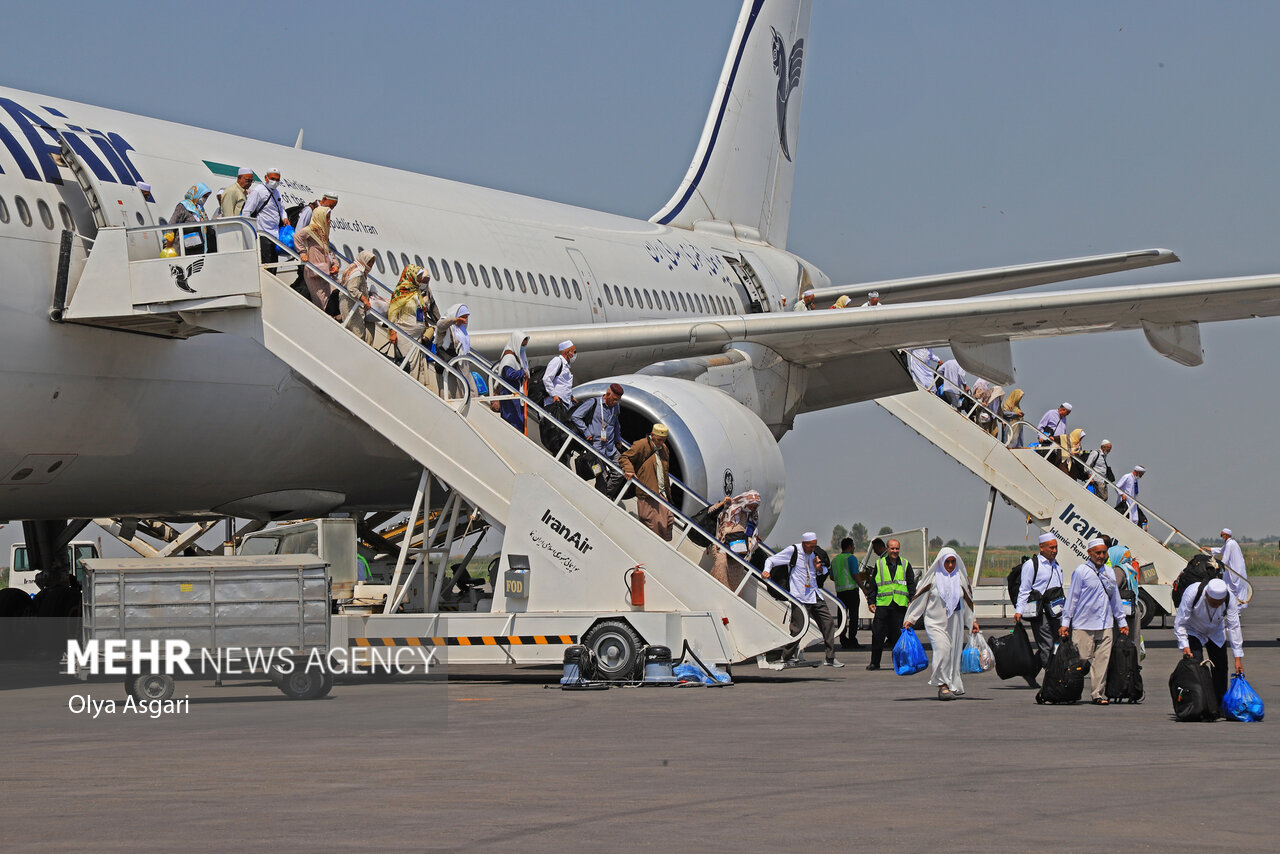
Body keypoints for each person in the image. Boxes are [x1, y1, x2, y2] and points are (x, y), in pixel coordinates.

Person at [1059, 537, 1130, 705]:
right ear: (1089, 553)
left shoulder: (1109, 572)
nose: (1101, 555)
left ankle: (1097, 694)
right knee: (1081, 660)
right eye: (1097, 552)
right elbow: (1072, 599)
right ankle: (1068, 688)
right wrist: (1065, 623)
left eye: (1104, 552)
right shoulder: (1081, 572)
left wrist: (1122, 622)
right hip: (1084, 624)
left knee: (1102, 661)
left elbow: (1115, 598)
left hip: (1105, 623)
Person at [904, 547, 979, 700]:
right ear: (940, 562)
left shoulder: (960, 579)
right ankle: (942, 686)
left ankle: (952, 684)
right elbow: (919, 600)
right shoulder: (932, 579)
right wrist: (911, 619)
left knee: (952, 654)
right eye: (947, 562)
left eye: (953, 562)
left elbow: (967, 603)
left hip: (955, 624)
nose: (950, 565)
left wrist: (973, 622)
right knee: (942, 650)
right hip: (934, 623)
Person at [763, 533, 841, 666]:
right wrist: (766, 571)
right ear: (804, 543)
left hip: (814, 594)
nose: (812, 549)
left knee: (828, 623)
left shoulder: (814, 554)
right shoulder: (793, 551)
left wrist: (818, 568)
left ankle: (830, 657)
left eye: (814, 546)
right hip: (799, 596)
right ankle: (786, 656)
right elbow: (771, 560)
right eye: (810, 546)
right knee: (799, 628)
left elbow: (822, 572)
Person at [1173, 577, 1244, 705]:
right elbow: (1180, 622)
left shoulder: (1229, 598)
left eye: (1219, 603)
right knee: (1197, 667)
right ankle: (1199, 703)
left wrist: (1238, 658)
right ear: (1206, 594)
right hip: (1193, 630)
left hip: (1215, 631)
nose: (1217, 606)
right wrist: (1184, 645)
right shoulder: (1193, 593)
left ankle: (1218, 704)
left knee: (1221, 667)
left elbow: (1234, 627)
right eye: (1213, 603)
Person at [1013, 533, 1065, 684]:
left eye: (1056, 547)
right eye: (1051, 547)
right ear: (1041, 548)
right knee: (1047, 645)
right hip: (1040, 613)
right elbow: (1024, 589)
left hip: (1055, 612)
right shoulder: (1032, 565)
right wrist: (1019, 610)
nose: (1054, 550)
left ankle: (1030, 673)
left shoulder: (1056, 565)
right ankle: (1052, 678)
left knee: (1056, 643)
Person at [865, 538, 916, 670]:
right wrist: (871, 601)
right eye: (892, 548)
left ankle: (899, 663)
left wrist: (912, 599)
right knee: (877, 634)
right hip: (883, 604)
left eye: (897, 548)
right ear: (887, 549)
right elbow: (873, 585)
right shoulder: (879, 564)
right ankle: (874, 662)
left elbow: (911, 583)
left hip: (899, 605)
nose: (894, 551)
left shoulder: (905, 564)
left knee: (897, 636)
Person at [620, 423, 674, 540]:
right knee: (652, 523)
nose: (661, 443)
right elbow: (625, 457)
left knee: (667, 520)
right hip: (647, 490)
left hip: (661, 491)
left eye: (663, 440)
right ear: (652, 435)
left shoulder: (664, 449)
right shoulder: (642, 444)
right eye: (659, 440)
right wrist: (629, 470)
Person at [571, 383, 626, 497]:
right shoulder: (594, 403)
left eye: (618, 400)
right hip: (596, 449)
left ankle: (606, 493)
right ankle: (601, 496)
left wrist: (618, 438)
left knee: (621, 472)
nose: (616, 402)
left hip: (610, 447)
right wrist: (586, 433)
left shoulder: (616, 407)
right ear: (607, 394)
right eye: (614, 399)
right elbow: (576, 416)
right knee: (601, 476)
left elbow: (616, 424)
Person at [703, 490, 762, 589]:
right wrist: (723, 503)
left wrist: (753, 540)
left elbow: (753, 533)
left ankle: (729, 599)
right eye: (752, 505)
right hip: (721, 544)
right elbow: (711, 512)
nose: (752, 508)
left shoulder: (753, 516)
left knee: (736, 575)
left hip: (739, 550)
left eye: (755, 506)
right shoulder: (731, 506)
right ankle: (713, 590)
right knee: (721, 566)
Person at [293, 206, 340, 314]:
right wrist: (302, 252)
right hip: (315, 270)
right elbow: (297, 237)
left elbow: (328, 251)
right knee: (321, 301)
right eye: (327, 217)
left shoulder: (322, 232)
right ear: (320, 217)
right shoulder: (312, 229)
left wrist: (335, 264)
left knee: (332, 297)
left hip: (326, 271)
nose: (329, 220)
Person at [539, 340, 577, 456]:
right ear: (567, 352)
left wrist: (570, 397)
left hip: (564, 403)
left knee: (562, 433)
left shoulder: (566, 364)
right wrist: (554, 395)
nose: (575, 354)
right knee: (556, 433)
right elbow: (547, 378)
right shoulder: (557, 361)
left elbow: (561, 383)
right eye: (574, 351)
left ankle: (562, 454)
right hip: (555, 404)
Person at [244, 168, 288, 263]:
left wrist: (285, 217)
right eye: (272, 178)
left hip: (275, 234)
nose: (275, 182)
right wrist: (249, 233)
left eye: (277, 180)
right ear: (266, 178)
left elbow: (281, 208)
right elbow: (247, 211)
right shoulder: (258, 191)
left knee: (274, 262)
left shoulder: (276, 192)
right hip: (263, 233)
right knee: (266, 262)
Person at [434, 303, 475, 399]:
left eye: (466, 318)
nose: (464, 321)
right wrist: (454, 320)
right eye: (462, 318)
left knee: (468, 387)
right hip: (447, 363)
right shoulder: (448, 328)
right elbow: (440, 325)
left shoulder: (461, 330)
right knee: (447, 391)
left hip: (459, 365)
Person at [829, 537, 862, 649]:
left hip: (840, 592)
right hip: (852, 591)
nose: (854, 548)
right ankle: (852, 639)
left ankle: (843, 639)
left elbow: (832, 577)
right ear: (849, 547)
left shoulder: (835, 560)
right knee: (853, 617)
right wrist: (863, 587)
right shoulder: (851, 558)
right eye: (853, 546)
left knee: (842, 617)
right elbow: (855, 574)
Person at [494, 330, 530, 432]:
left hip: (516, 394)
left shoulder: (519, 355)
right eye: (522, 345)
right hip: (510, 394)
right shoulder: (509, 357)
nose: (523, 347)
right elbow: (509, 374)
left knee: (520, 422)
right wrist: (522, 373)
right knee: (513, 423)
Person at [340, 250, 377, 342]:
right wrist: (364, 299)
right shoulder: (358, 272)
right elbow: (352, 288)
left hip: (350, 304)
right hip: (351, 305)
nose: (371, 264)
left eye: (373, 262)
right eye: (369, 261)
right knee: (358, 334)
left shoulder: (355, 268)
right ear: (364, 260)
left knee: (354, 331)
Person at [169, 183, 215, 255]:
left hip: (198, 248)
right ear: (198, 194)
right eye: (204, 196)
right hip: (184, 249)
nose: (204, 199)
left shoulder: (200, 209)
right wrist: (167, 242)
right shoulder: (183, 206)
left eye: (206, 197)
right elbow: (172, 224)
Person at [1214, 528, 1250, 609]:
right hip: (1233, 569)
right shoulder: (1229, 543)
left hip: (1236, 570)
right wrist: (1209, 549)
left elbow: (1225, 558)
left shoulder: (1230, 544)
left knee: (1236, 588)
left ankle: (1238, 608)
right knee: (1228, 584)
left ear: (1226, 535)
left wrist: (1218, 567)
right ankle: (1232, 607)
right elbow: (1221, 550)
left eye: (1222, 535)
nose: (1221, 537)